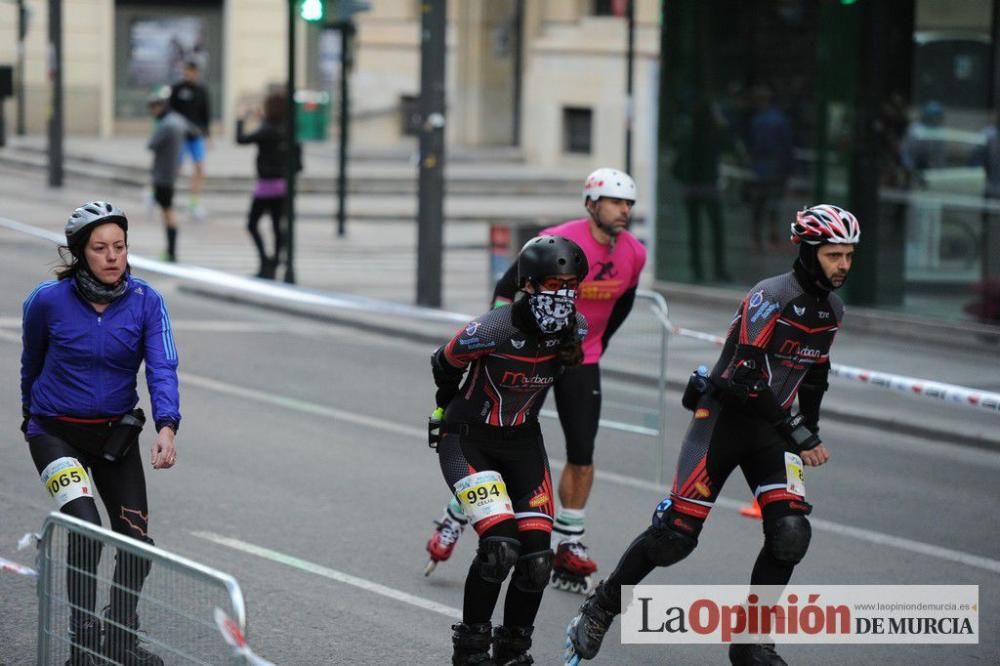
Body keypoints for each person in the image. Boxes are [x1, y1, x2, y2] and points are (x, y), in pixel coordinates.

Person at [564, 204, 860, 666]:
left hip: (773, 431)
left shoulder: (832, 310)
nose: (842, 265)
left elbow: (816, 375)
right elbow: (745, 374)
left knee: (790, 532)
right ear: (807, 251)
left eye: (848, 255)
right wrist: (797, 429)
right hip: (723, 419)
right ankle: (603, 605)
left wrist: (809, 428)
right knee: (674, 539)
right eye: (833, 255)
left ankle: (750, 642)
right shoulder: (770, 297)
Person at [425, 168, 647, 595]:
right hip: (531, 348)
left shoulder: (635, 253)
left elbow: (624, 304)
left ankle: (570, 538)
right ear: (590, 204)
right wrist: (503, 342)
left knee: (583, 448)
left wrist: (595, 344)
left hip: (580, 353)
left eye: (629, 204)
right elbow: (507, 289)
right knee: (506, 433)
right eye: (615, 202)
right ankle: (458, 513)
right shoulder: (556, 242)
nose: (623, 211)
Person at [21, 202, 180, 665]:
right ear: (80, 253)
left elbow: (163, 368)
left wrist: (167, 426)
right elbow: (30, 361)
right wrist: (29, 417)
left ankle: (119, 637)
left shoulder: (147, 300)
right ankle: (83, 644)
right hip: (55, 434)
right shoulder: (47, 301)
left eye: (120, 247)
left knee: (134, 540)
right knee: (87, 528)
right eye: (100, 248)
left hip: (115, 436)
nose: (112, 257)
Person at [431, 236, 588, 665]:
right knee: (501, 547)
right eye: (554, 284)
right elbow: (443, 362)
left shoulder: (577, 329)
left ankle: (512, 651)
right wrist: (443, 409)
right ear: (531, 284)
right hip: (469, 439)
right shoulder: (495, 327)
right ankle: (470, 650)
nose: (564, 295)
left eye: (572, 285)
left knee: (537, 559)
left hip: (523, 443)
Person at [236, 93, 291, 279]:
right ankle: (275, 263)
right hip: (283, 185)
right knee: (277, 226)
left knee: (252, 223)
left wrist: (241, 118)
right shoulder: (287, 129)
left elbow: (241, 139)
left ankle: (265, 262)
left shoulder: (266, 129)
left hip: (266, 185)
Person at [746, 85, 794, 251]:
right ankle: (772, 237)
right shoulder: (779, 120)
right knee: (773, 203)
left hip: (762, 167)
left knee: (759, 204)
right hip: (775, 167)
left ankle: (757, 238)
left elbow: (752, 144)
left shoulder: (757, 120)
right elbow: (787, 145)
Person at [147, 86, 191, 263]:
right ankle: (170, 250)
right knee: (167, 211)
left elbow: (152, 144)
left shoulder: (165, 125)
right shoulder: (178, 121)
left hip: (163, 174)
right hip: (171, 171)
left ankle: (171, 251)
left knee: (167, 212)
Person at [169, 60, 211, 219]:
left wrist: (208, 135)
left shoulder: (202, 90)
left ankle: (193, 203)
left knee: (199, 168)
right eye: (188, 71)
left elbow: (206, 113)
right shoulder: (177, 88)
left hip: (196, 135)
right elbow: (170, 111)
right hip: (179, 136)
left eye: (193, 71)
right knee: (176, 169)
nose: (190, 74)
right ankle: (162, 195)